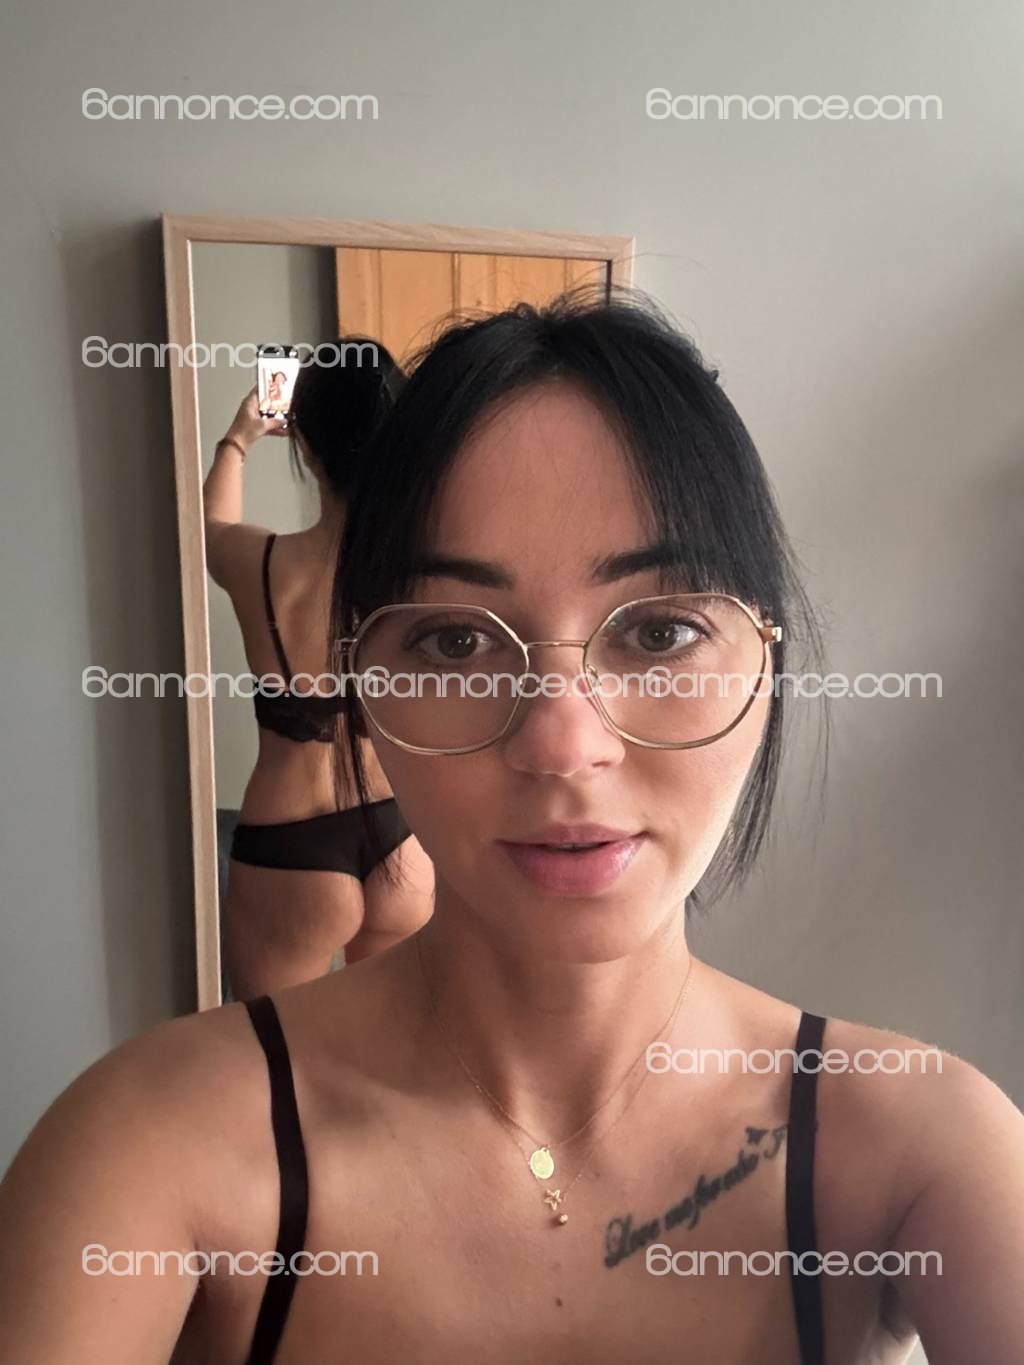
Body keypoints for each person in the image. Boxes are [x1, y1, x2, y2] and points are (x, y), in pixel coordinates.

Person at [1, 291, 1022, 1364]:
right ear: (362, 678)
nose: (562, 745)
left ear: (768, 664)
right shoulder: (155, 1143)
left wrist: (238, 439)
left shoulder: (921, 1146)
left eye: (660, 632)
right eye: (454, 642)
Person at [203, 339, 434, 997]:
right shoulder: (422, 573)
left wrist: (239, 439)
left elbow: (207, 527)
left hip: (290, 843)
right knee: (397, 1039)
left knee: (273, 1044)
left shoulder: (261, 564)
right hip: (398, 833)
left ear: (304, 445)